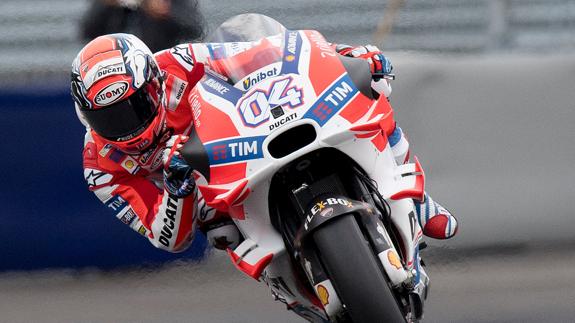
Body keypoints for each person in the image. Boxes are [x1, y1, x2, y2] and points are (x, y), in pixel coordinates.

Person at [70, 33, 458, 254]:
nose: (124, 128)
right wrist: (176, 189)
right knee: (226, 236)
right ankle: (289, 278)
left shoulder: (180, 63)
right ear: (87, 117)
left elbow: (264, 53)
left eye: (133, 107)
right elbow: (167, 238)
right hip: (205, 195)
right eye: (109, 119)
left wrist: (343, 55)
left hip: (243, 140)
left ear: (152, 84)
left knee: (369, 93)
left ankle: (417, 199)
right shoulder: (99, 167)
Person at [80, 0, 205, 52]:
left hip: (160, 66)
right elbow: (87, 32)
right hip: (117, 67)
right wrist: (106, 6)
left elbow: (195, 29)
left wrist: (166, 12)